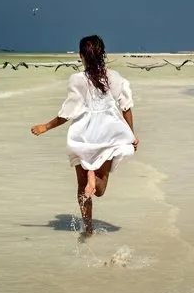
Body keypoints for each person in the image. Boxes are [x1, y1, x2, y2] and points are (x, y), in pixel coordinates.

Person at [30, 35, 139, 236]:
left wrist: (46, 126)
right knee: (100, 188)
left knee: (81, 188)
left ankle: (88, 230)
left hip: (84, 134)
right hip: (109, 133)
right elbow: (126, 107)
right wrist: (131, 135)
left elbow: (69, 111)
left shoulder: (77, 80)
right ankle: (93, 179)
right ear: (102, 54)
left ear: (81, 56)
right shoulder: (116, 78)